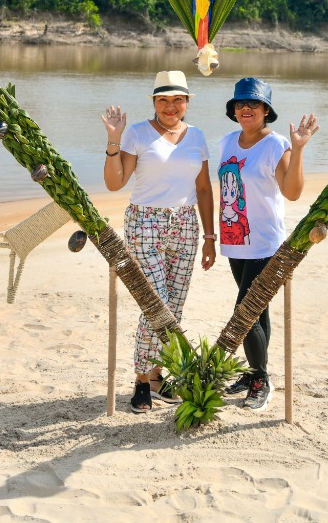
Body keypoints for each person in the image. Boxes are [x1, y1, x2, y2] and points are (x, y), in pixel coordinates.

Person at [101, 71, 216, 414]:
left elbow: (205, 190)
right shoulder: (136, 133)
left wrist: (210, 238)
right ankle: (140, 381)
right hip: (144, 223)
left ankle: (156, 375)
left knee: (174, 308)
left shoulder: (197, 136)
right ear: (153, 102)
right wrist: (113, 139)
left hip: (185, 225)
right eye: (163, 99)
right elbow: (114, 183)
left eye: (177, 99)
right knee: (156, 306)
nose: (170, 106)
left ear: (187, 102)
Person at [216, 77, 319, 410]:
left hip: (265, 245)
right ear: (233, 110)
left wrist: (299, 148)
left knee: (244, 312)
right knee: (257, 313)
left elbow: (292, 192)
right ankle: (252, 373)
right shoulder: (226, 142)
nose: (246, 109)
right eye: (241, 104)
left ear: (265, 111)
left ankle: (261, 378)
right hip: (235, 243)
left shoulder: (276, 145)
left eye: (254, 104)